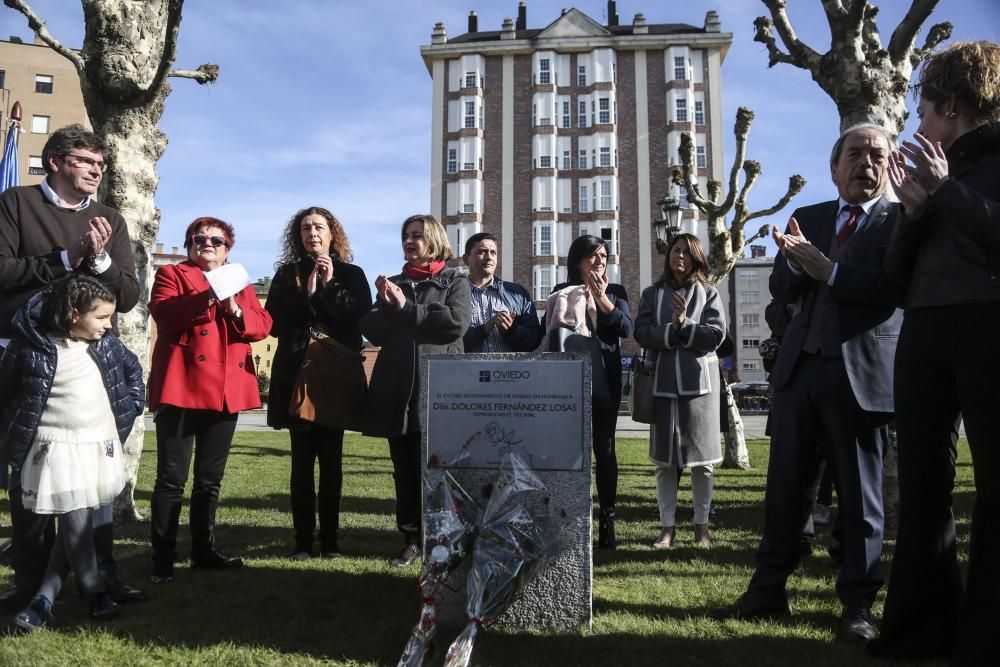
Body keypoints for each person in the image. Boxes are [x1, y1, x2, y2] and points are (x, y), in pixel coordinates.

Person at [712, 124, 902, 644]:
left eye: (876, 155)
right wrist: (794, 261)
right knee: (786, 487)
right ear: (835, 167)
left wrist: (830, 271)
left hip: (860, 374)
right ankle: (769, 588)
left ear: (888, 166)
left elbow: (893, 287)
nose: (866, 162)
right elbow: (779, 286)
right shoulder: (813, 217)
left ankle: (858, 605)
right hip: (800, 372)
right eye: (855, 153)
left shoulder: (899, 219)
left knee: (860, 496)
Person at [869, 41, 1000, 665]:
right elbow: (895, 276)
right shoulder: (924, 177)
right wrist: (913, 214)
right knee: (923, 488)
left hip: (988, 327)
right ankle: (921, 631)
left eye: (921, 111)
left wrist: (945, 194)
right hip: (923, 335)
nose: (916, 126)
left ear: (951, 104)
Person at [0, 124, 143, 611]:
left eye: (100, 164)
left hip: (93, 358)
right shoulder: (15, 204)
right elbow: (1, 271)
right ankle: (31, 581)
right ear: (56, 161)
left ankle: (100, 577)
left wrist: (99, 262)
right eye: (86, 161)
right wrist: (65, 258)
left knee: (96, 467)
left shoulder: (109, 218)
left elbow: (126, 295)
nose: (96, 170)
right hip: (30, 354)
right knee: (32, 469)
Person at [0, 276, 143, 630]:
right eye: (101, 317)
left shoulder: (105, 345)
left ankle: (49, 599)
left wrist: (132, 406)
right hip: (54, 448)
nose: (109, 325)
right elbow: (6, 392)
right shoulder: (29, 346)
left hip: (96, 445)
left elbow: (133, 372)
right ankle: (85, 592)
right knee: (75, 517)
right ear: (73, 313)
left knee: (76, 520)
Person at [147, 216, 272, 583]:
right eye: (199, 238)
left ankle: (204, 551)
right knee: (171, 480)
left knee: (209, 481)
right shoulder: (172, 275)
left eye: (216, 241)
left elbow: (262, 325)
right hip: (182, 388)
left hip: (225, 393)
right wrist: (210, 294)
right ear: (189, 245)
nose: (207, 244)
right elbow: (167, 316)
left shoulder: (240, 281)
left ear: (227, 249)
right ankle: (162, 560)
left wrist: (235, 308)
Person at [361, 214, 470, 567]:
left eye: (418, 236)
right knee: (405, 470)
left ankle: (443, 538)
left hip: (441, 390)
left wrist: (406, 308)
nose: (410, 241)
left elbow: (455, 324)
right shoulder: (393, 283)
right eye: (406, 236)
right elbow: (373, 331)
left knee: (441, 470)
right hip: (399, 391)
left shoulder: (454, 280)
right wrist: (388, 305)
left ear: (434, 240)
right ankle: (411, 539)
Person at [265, 207, 371, 560]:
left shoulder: (353, 274)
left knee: (331, 463)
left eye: (319, 227)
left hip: (334, 377)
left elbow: (358, 322)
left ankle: (330, 541)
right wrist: (305, 291)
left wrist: (328, 287)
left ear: (332, 233)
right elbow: (276, 324)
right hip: (298, 376)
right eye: (305, 228)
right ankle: (302, 541)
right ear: (298, 236)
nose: (312, 232)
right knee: (301, 465)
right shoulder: (285, 274)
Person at [633, 233, 724, 549]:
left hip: (702, 389)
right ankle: (667, 529)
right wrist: (672, 330)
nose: (679, 256)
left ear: (697, 257)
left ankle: (701, 528)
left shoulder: (709, 292)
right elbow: (641, 333)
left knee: (703, 463)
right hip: (661, 386)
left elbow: (715, 336)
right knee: (665, 463)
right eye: (675, 250)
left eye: (686, 252)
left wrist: (685, 324)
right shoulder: (651, 294)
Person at [545, 235, 631, 549]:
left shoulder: (617, 292)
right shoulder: (560, 292)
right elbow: (551, 337)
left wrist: (603, 299)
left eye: (604, 256)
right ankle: (571, 517)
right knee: (569, 452)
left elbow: (624, 328)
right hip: (567, 381)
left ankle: (607, 521)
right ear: (577, 260)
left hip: (605, 378)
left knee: (605, 449)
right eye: (593, 256)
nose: (599, 262)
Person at [461, 232, 543, 353]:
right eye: (482, 252)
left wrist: (512, 330)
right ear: (466, 259)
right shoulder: (453, 295)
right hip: (467, 371)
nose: (489, 257)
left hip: (509, 371)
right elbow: (448, 341)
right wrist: (483, 330)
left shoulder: (517, 294)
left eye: (493, 252)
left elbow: (535, 340)